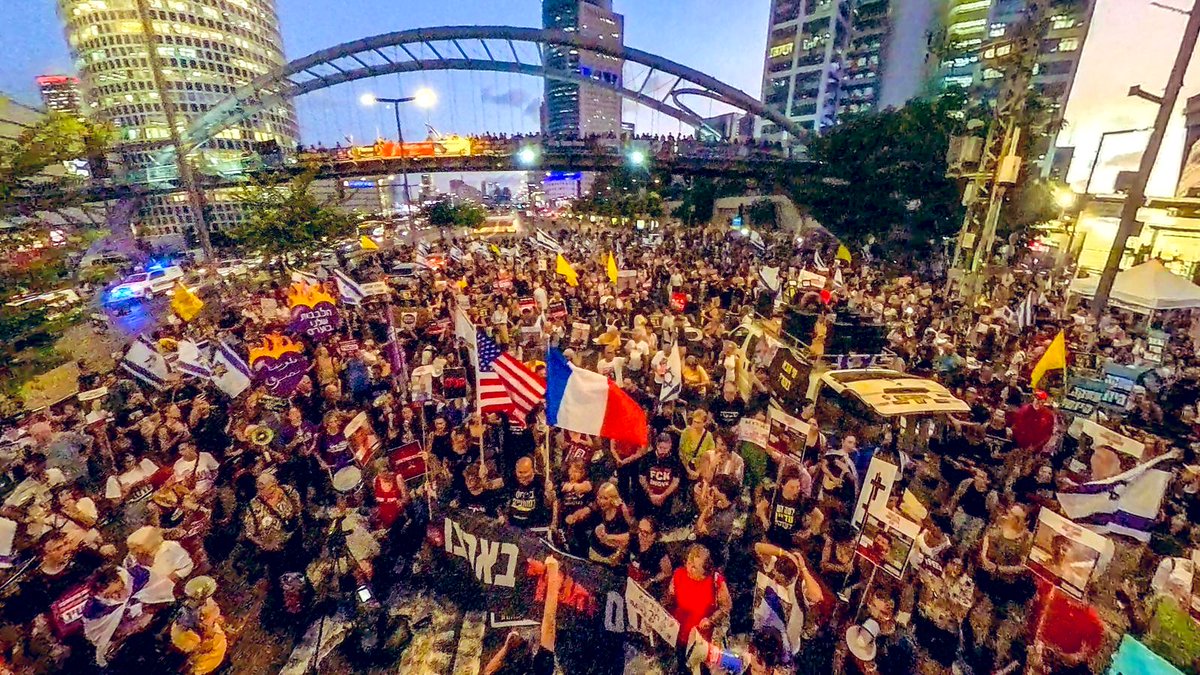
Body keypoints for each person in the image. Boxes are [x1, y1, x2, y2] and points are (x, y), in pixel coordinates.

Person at [482, 555, 560, 675]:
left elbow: (549, 626)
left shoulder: (539, 670)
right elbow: (549, 626)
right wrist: (553, 573)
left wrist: (507, 648)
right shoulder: (539, 670)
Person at [666, 543, 732, 651]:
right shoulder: (679, 574)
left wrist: (711, 620)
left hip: (701, 641)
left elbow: (726, 607)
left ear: (705, 569)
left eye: (694, 567)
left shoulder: (715, 581)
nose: (689, 569)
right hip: (678, 635)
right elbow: (669, 599)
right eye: (688, 563)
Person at [638, 432, 684, 522]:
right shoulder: (647, 458)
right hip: (649, 496)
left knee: (663, 521)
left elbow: (676, 481)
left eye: (665, 448)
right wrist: (650, 493)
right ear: (657, 445)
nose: (662, 451)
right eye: (660, 448)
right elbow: (642, 477)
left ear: (670, 446)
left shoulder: (675, 460)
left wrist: (663, 495)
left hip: (666, 498)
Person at [627, 516, 673, 594]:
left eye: (645, 533)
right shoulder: (634, 540)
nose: (640, 535)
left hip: (649, 587)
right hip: (631, 580)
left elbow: (667, 572)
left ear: (653, 535)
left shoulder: (659, 550)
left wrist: (650, 581)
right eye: (640, 530)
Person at [503, 456, 551, 529]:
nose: (522, 476)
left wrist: (549, 493)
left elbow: (552, 500)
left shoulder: (541, 481)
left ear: (532, 470)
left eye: (525, 472)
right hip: (514, 526)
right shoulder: (512, 479)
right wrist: (483, 477)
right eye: (519, 472)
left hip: (533, 527)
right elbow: (489, 485)